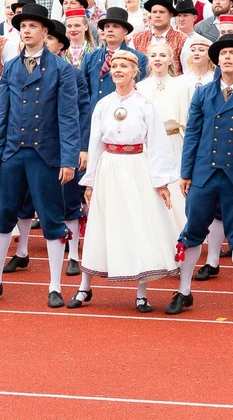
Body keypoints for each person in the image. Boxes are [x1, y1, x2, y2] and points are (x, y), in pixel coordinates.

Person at [0, 2, 80, 309]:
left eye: (33, 26)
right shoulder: (11, 67)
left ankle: (55, 286)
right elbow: (2, 113)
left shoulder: (62, 69)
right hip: (12, 153)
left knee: (51, 218)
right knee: (2, 215)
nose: (27, 31)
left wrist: (68, 159)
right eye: (23, 26)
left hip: (46, 155)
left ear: (45, 31)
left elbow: (68, 117)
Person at [167, 35, 233, 319]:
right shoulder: (203, 94)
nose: (227, 57)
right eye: (223, 53)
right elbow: (192, 134)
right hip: (204, 173)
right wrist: (186, 172)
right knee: (192, 230)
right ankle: (184, 290)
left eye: (232, 53)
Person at [67, 49, 178, 312]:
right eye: (114, 66)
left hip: (137, 166)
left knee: (138, 225)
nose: (118, 70)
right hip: (109, 168)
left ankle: (141, 293)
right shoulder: (103, 104)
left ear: (134, 72)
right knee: (100, 224)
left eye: (123, 66)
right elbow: (95, 143)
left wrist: (161, 182)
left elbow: (157, 144)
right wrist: (90, 181)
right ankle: (84, 287)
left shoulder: (145, 105)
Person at [138, 40, 187, 230]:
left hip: (174, 141)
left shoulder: (181, 85)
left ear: (170, 59)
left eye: (162, 55)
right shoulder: (140, 87)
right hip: (148, 146)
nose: (158, 59)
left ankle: (179, 231)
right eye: (153, 55)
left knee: (175, 188)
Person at [82, 7, 148, 114]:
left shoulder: (139, 58)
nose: (110, 30)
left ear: (125, 31)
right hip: (95, 115)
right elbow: (83, 92)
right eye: (107, 26)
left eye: (115, 26)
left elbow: (141, 92)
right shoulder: (90, 57)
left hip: (125, 114)